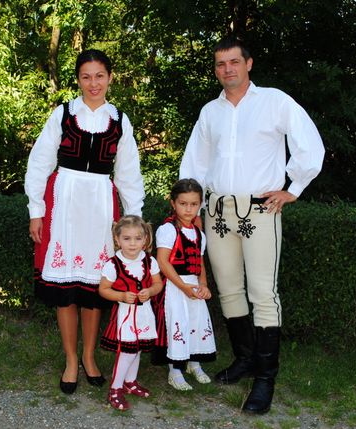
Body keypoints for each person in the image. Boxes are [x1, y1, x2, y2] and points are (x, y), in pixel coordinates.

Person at [180, 35, 325, 414]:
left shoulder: (275, 102)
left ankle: (265, 376)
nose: (226, 69)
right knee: (229, 289)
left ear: (248, 64)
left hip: (260, 210)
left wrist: (293, 188)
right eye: (220, 64)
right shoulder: (210, 112)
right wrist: (190, 208)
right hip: (216, 212)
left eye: (233, 62)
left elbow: (310, 144)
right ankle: (245, 359)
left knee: (263, 293)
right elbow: (195, 161)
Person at [25, 49, 144, 395]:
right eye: (86, 76)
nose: (93, 83)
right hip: (64, 204)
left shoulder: (120, 121)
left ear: (110, 78)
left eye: (99, 76)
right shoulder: (63, 114)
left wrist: (133, 221)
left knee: (94, 288)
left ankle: (90, 357)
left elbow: (129, 174)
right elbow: (39, 162)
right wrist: (36, 211)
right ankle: (71, 360)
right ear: (78, 79)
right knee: (66, 291)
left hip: (100, 207)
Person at [153, 178, 216, 391]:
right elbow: (163, 261)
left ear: (200, 205)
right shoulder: (168, 229)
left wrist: (203, 285)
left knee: (196, 323)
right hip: (175, 286)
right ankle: (175, 370)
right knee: (177, 324)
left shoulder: (199, 234)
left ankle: (194, 364)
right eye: (183, 203)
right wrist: (182, 286)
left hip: (193, 285)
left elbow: (200, 262)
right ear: (173, 203)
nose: (188, 209)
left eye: (193, 204)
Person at [99, 215, 163, 411]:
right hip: (125, 315)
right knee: (127, 352)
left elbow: (158, 284)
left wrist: (150, 291)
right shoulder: (113, 264)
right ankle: (115, 388)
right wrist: (120, 295)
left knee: (138, 349)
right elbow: (103, 289)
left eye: (137, 238)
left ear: (145, 240)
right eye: (127, 238)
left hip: (144, 314)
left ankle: (130, 382)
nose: (132, 243)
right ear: (117, 240)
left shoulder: (150, 261)